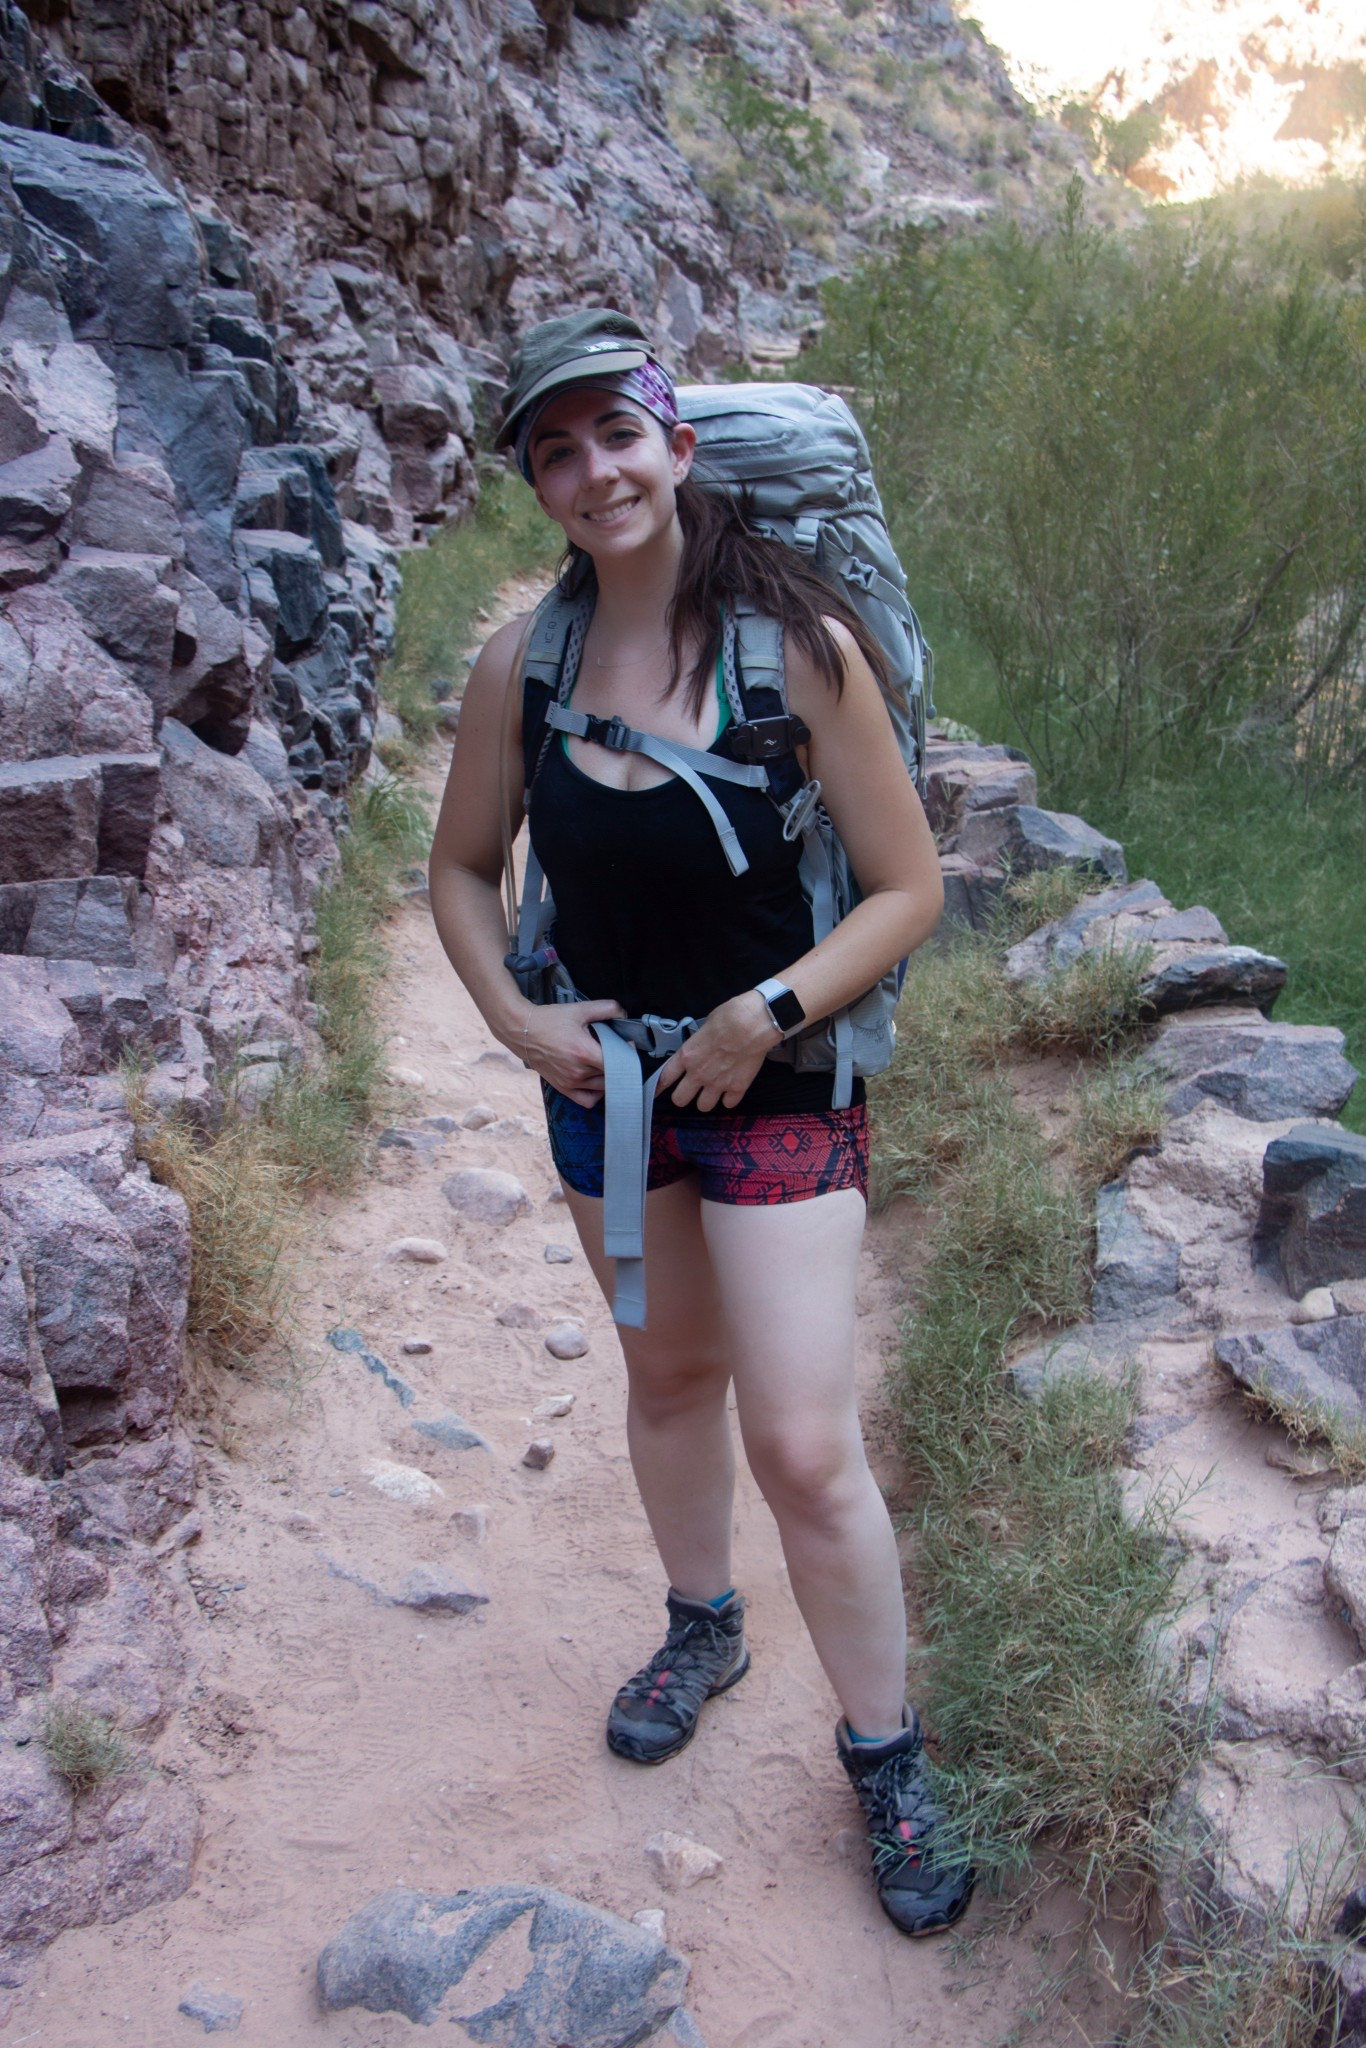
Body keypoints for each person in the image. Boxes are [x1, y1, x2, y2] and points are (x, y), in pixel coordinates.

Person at [428, 309, 973, 1937]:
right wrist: (512, 1017)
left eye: (616, 433)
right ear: (536, 484)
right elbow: (461, 870)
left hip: (779, 1082)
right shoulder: (518, 664)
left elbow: (907, 886)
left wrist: (770, 1015)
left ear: (674, 439)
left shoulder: (795, 647)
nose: (593, 470)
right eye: (555, 450)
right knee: (667, 1375)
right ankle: (700, 1623)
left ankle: (884, 1754)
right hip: (606, 1093)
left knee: (804, 1442)